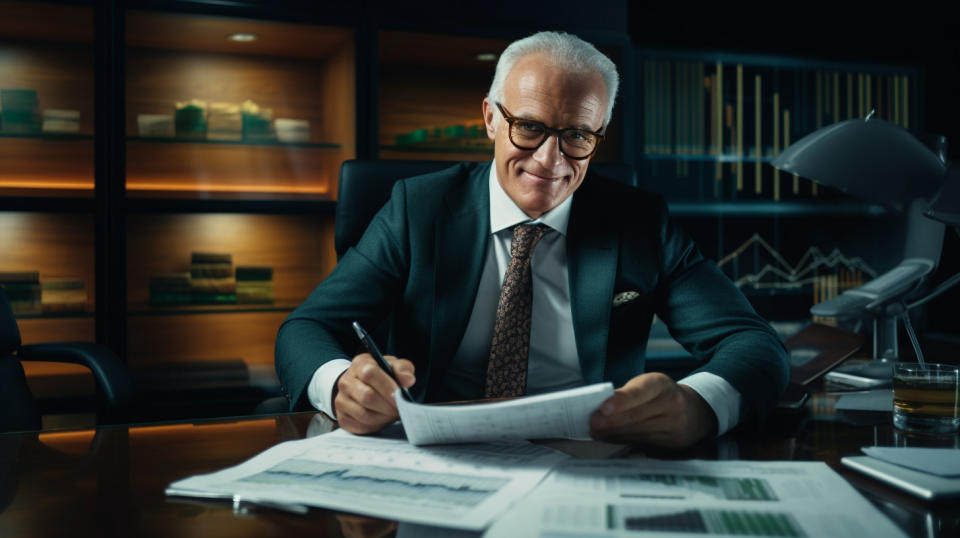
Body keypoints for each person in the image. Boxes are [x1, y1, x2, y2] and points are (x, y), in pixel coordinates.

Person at [275, 31, 789, 448]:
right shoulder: (419, 208)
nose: (550, 160)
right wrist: (340, 383)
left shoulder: (638, 221)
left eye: (578, 137)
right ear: (490, 119)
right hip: (436, 457)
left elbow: (755, 344)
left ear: (599, 133)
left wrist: (701, 404)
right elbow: (306, 327)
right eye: (529, 127)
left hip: (588, 461)